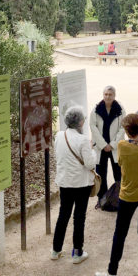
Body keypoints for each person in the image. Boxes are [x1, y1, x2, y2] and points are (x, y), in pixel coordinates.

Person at [95, 113, 138, 276]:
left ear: (127, 131)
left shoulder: (122, 146)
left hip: (127, 195)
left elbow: (119, 163)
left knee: (120, 233)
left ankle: (112, 271)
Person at [52, 106, 96, 264]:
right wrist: (92, 151)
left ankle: (56, 249)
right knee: (79, 217)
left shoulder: (59, 136)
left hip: (64, 182)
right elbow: (90, 164)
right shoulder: (83, 140)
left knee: (63, 215)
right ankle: (77, 252)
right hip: (81, 184)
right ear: (80, 122)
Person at [90, 86, 126, 209]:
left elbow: (123, 128)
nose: (107, 96)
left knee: (118, 173)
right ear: (103, 95)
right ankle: (102, 199)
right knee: (101, 174)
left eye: (110, 94)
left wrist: (112, 144)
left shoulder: (120, 110)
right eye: (105, 94)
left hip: (114, 147)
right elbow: (93, 127)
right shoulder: (96, 109)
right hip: (101, 147)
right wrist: (103, 144)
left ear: (114, 95)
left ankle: (120, 199)